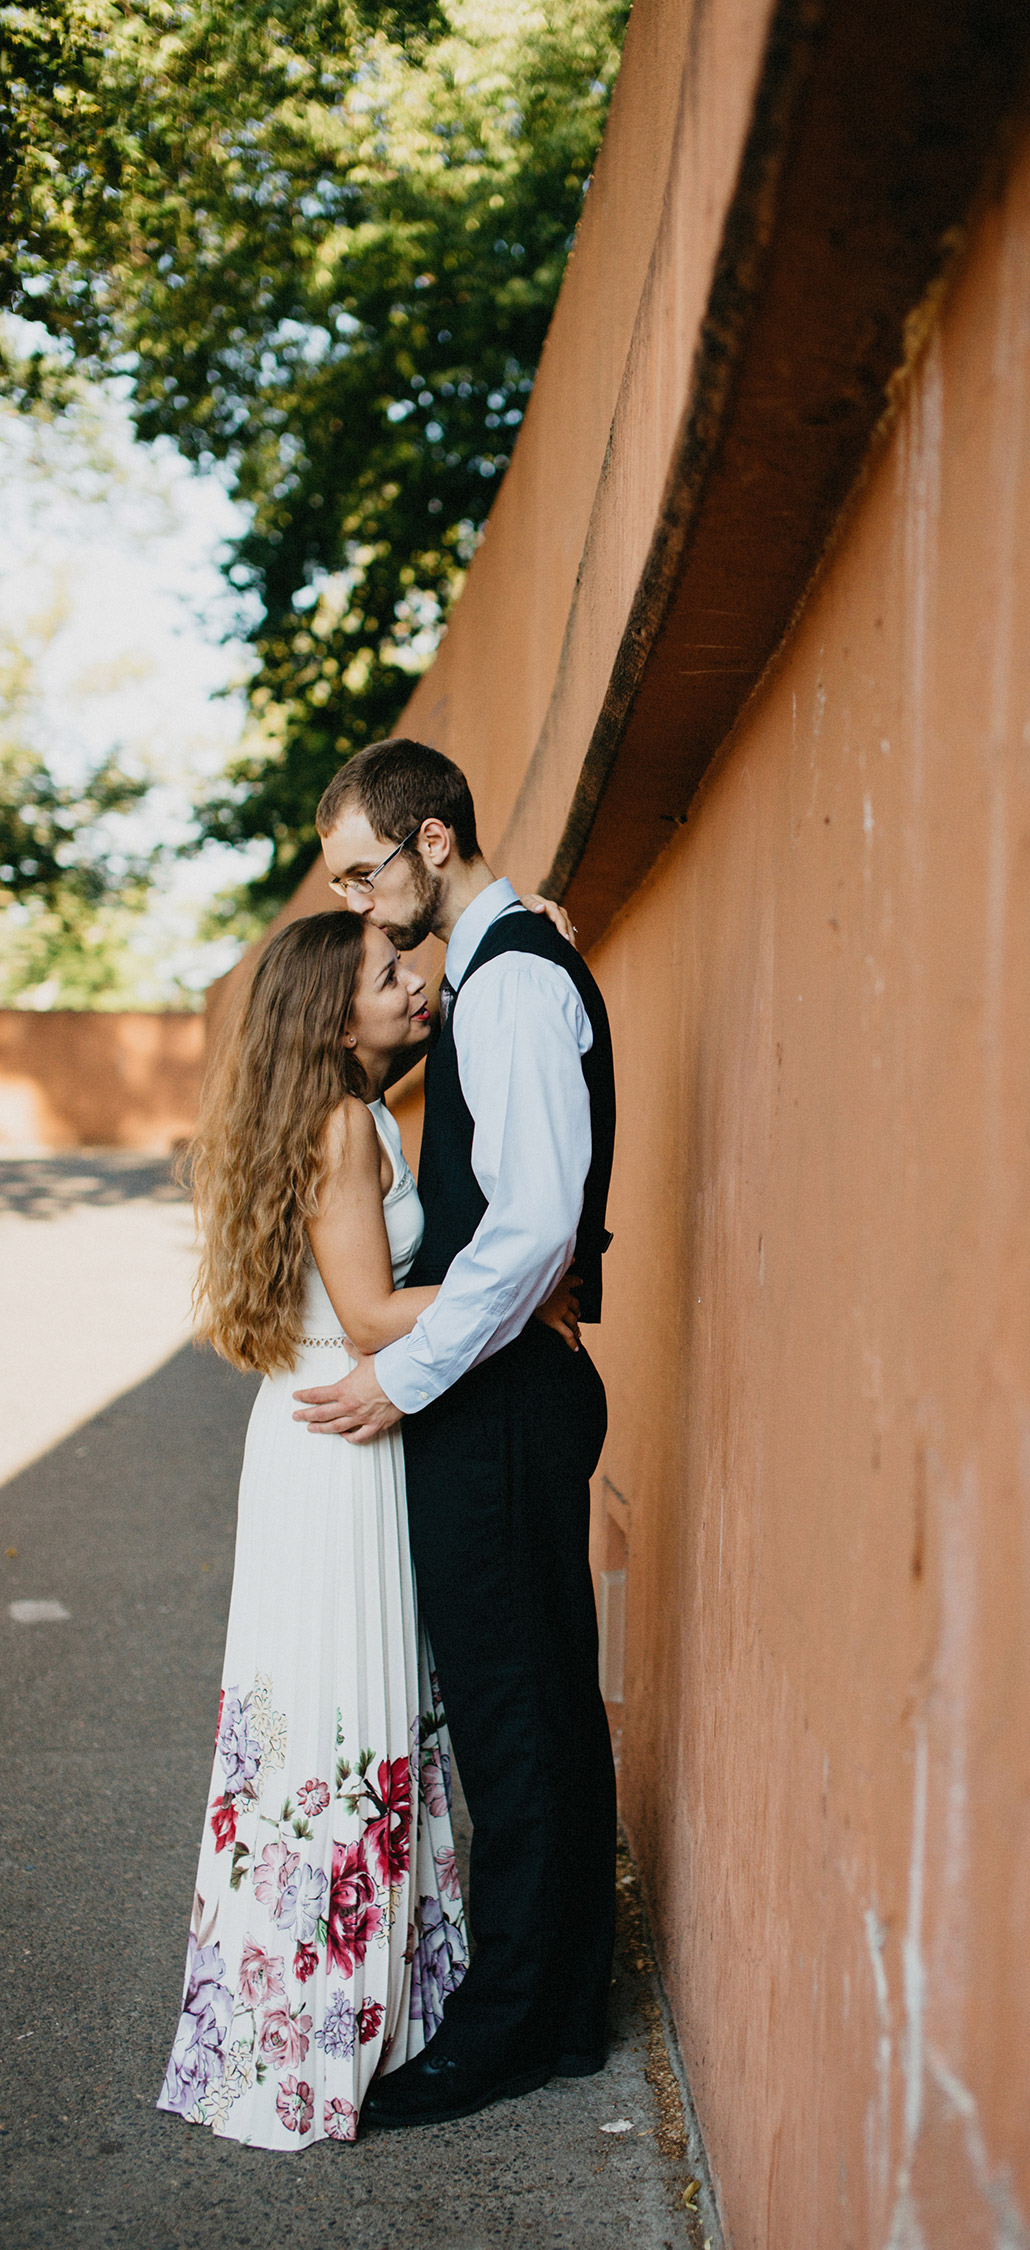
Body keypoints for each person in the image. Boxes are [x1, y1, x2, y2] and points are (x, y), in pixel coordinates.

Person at [157, 909, 578, 2148]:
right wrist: (525, 1289)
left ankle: (307, 2021)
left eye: (410, 961)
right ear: (329, 1016)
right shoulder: (346, 1123)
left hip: (310, 1434)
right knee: (353, 1716)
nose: (416, 983)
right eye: (387, 975)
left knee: (318, 1724)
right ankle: (336, 2028)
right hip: (348, 1437)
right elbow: (374, 1308)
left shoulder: (315, 1112)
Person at [294, 736, 618, 2131]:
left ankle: (504, 2028)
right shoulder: (502, 967)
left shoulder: (513, 986)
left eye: (369, 871)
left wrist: (408, 1374)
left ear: (434, 842)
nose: (363, 905)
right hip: (498, 1387)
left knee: (513, 1710)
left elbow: (536, 1222)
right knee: (539, 1695)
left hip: (491, 1399)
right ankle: (561, 2013)